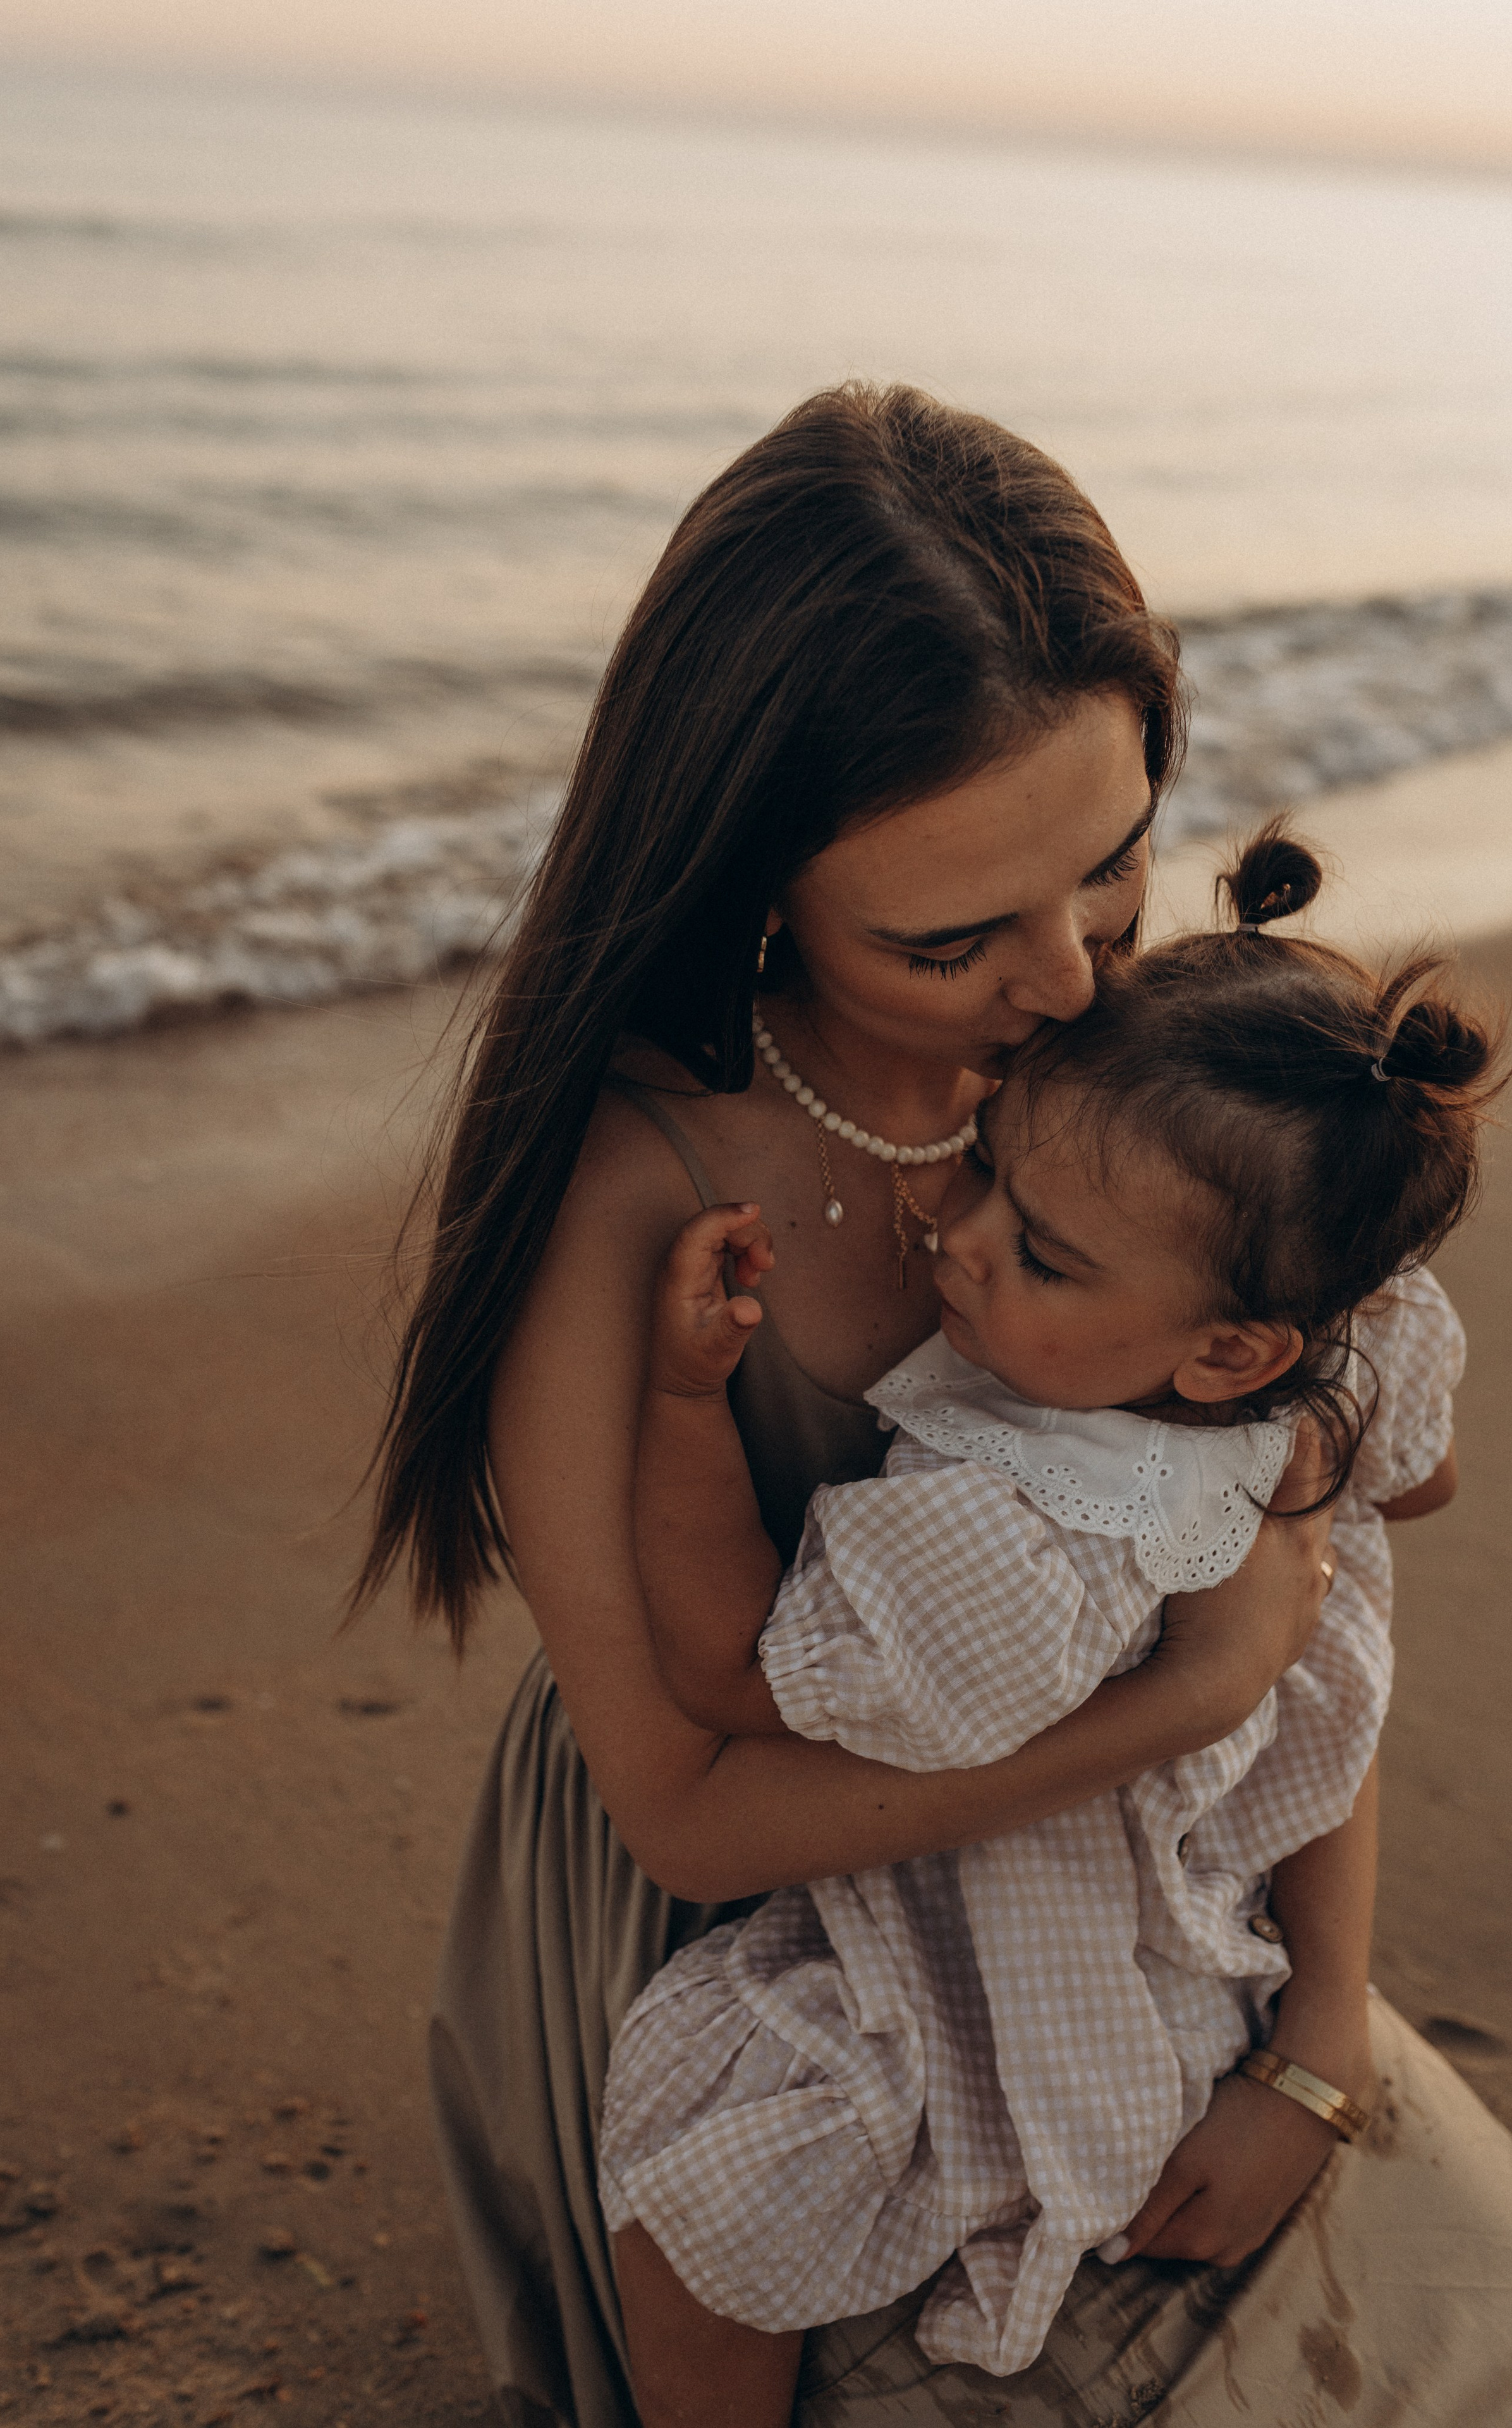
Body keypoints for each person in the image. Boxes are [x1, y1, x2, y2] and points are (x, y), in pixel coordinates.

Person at [357, 386, 1512, 2427]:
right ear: (753, 881)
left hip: (1135, 1911)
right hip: (769, 1949)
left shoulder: (1149, 1090)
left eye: (1118, 865)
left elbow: (1312, 1602)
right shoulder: (631, 1200)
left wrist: (1320, 2037)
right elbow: (691, 1804)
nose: (1071, 982)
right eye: (952, 937)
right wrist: (1184, 1697)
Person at [599, 826, 1496, 2417]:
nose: (958, 1234)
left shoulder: (1005, 1519)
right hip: (1220, 1912)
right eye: (991, 1169)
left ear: (1223, 1353)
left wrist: (680, 1405)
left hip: (1002, 1955)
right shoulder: (1336, 1349)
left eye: (1043, 1251)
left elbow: (731, 1672)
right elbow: (1407, 1495)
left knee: (712, 2201)